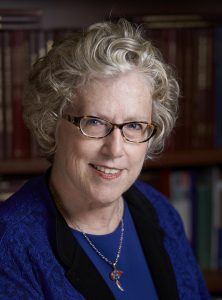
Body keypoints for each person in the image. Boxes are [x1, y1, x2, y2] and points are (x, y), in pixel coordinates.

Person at [0, 19, 210, 300]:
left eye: (135, 125)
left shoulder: (159, 211)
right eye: (95, 122)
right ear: (51, 123)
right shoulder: (10, 245)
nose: (115, 149)